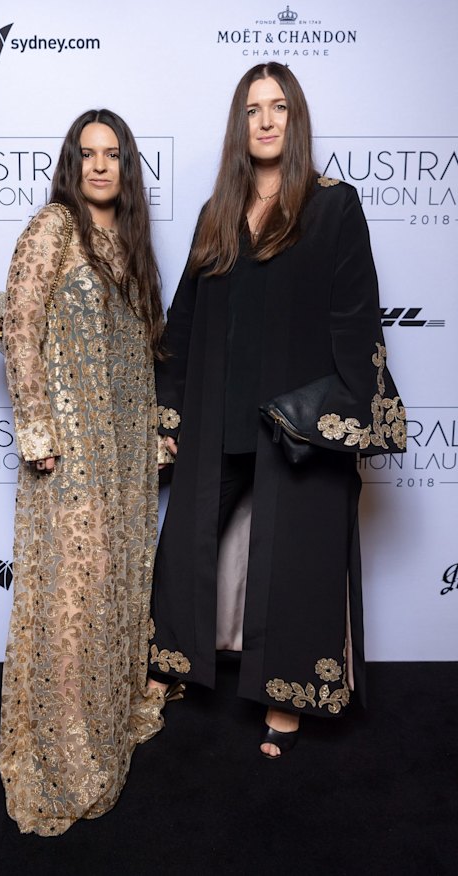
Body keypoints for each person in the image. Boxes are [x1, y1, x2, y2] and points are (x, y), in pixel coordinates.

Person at [147, 63, 406, 758]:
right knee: (189, 547)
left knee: (291, 561)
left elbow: (356, 319)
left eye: (279, 107)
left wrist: (345, 411)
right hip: (219, 420)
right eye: (253, 109)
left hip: (295, 426)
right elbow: (183, 324)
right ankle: (174, 668)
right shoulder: (217, 213)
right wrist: (168, 419)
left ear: (296, 120)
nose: (265, 120)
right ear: (241, 123)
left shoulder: (332, 205)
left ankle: (282, 695)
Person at [0, 109, 166, 834]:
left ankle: (105, 725)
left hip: (121, 456)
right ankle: (65, 756)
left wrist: (152, 437)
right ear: (72, 163)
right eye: (87, 154)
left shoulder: (129, 246)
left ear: (126, 167)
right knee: (72, 600)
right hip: (67, 451)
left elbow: (134, 360)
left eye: (113, 154)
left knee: (115, 590)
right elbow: (19, 326)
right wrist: (36, 428)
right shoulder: (52, 227)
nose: (99, 166)